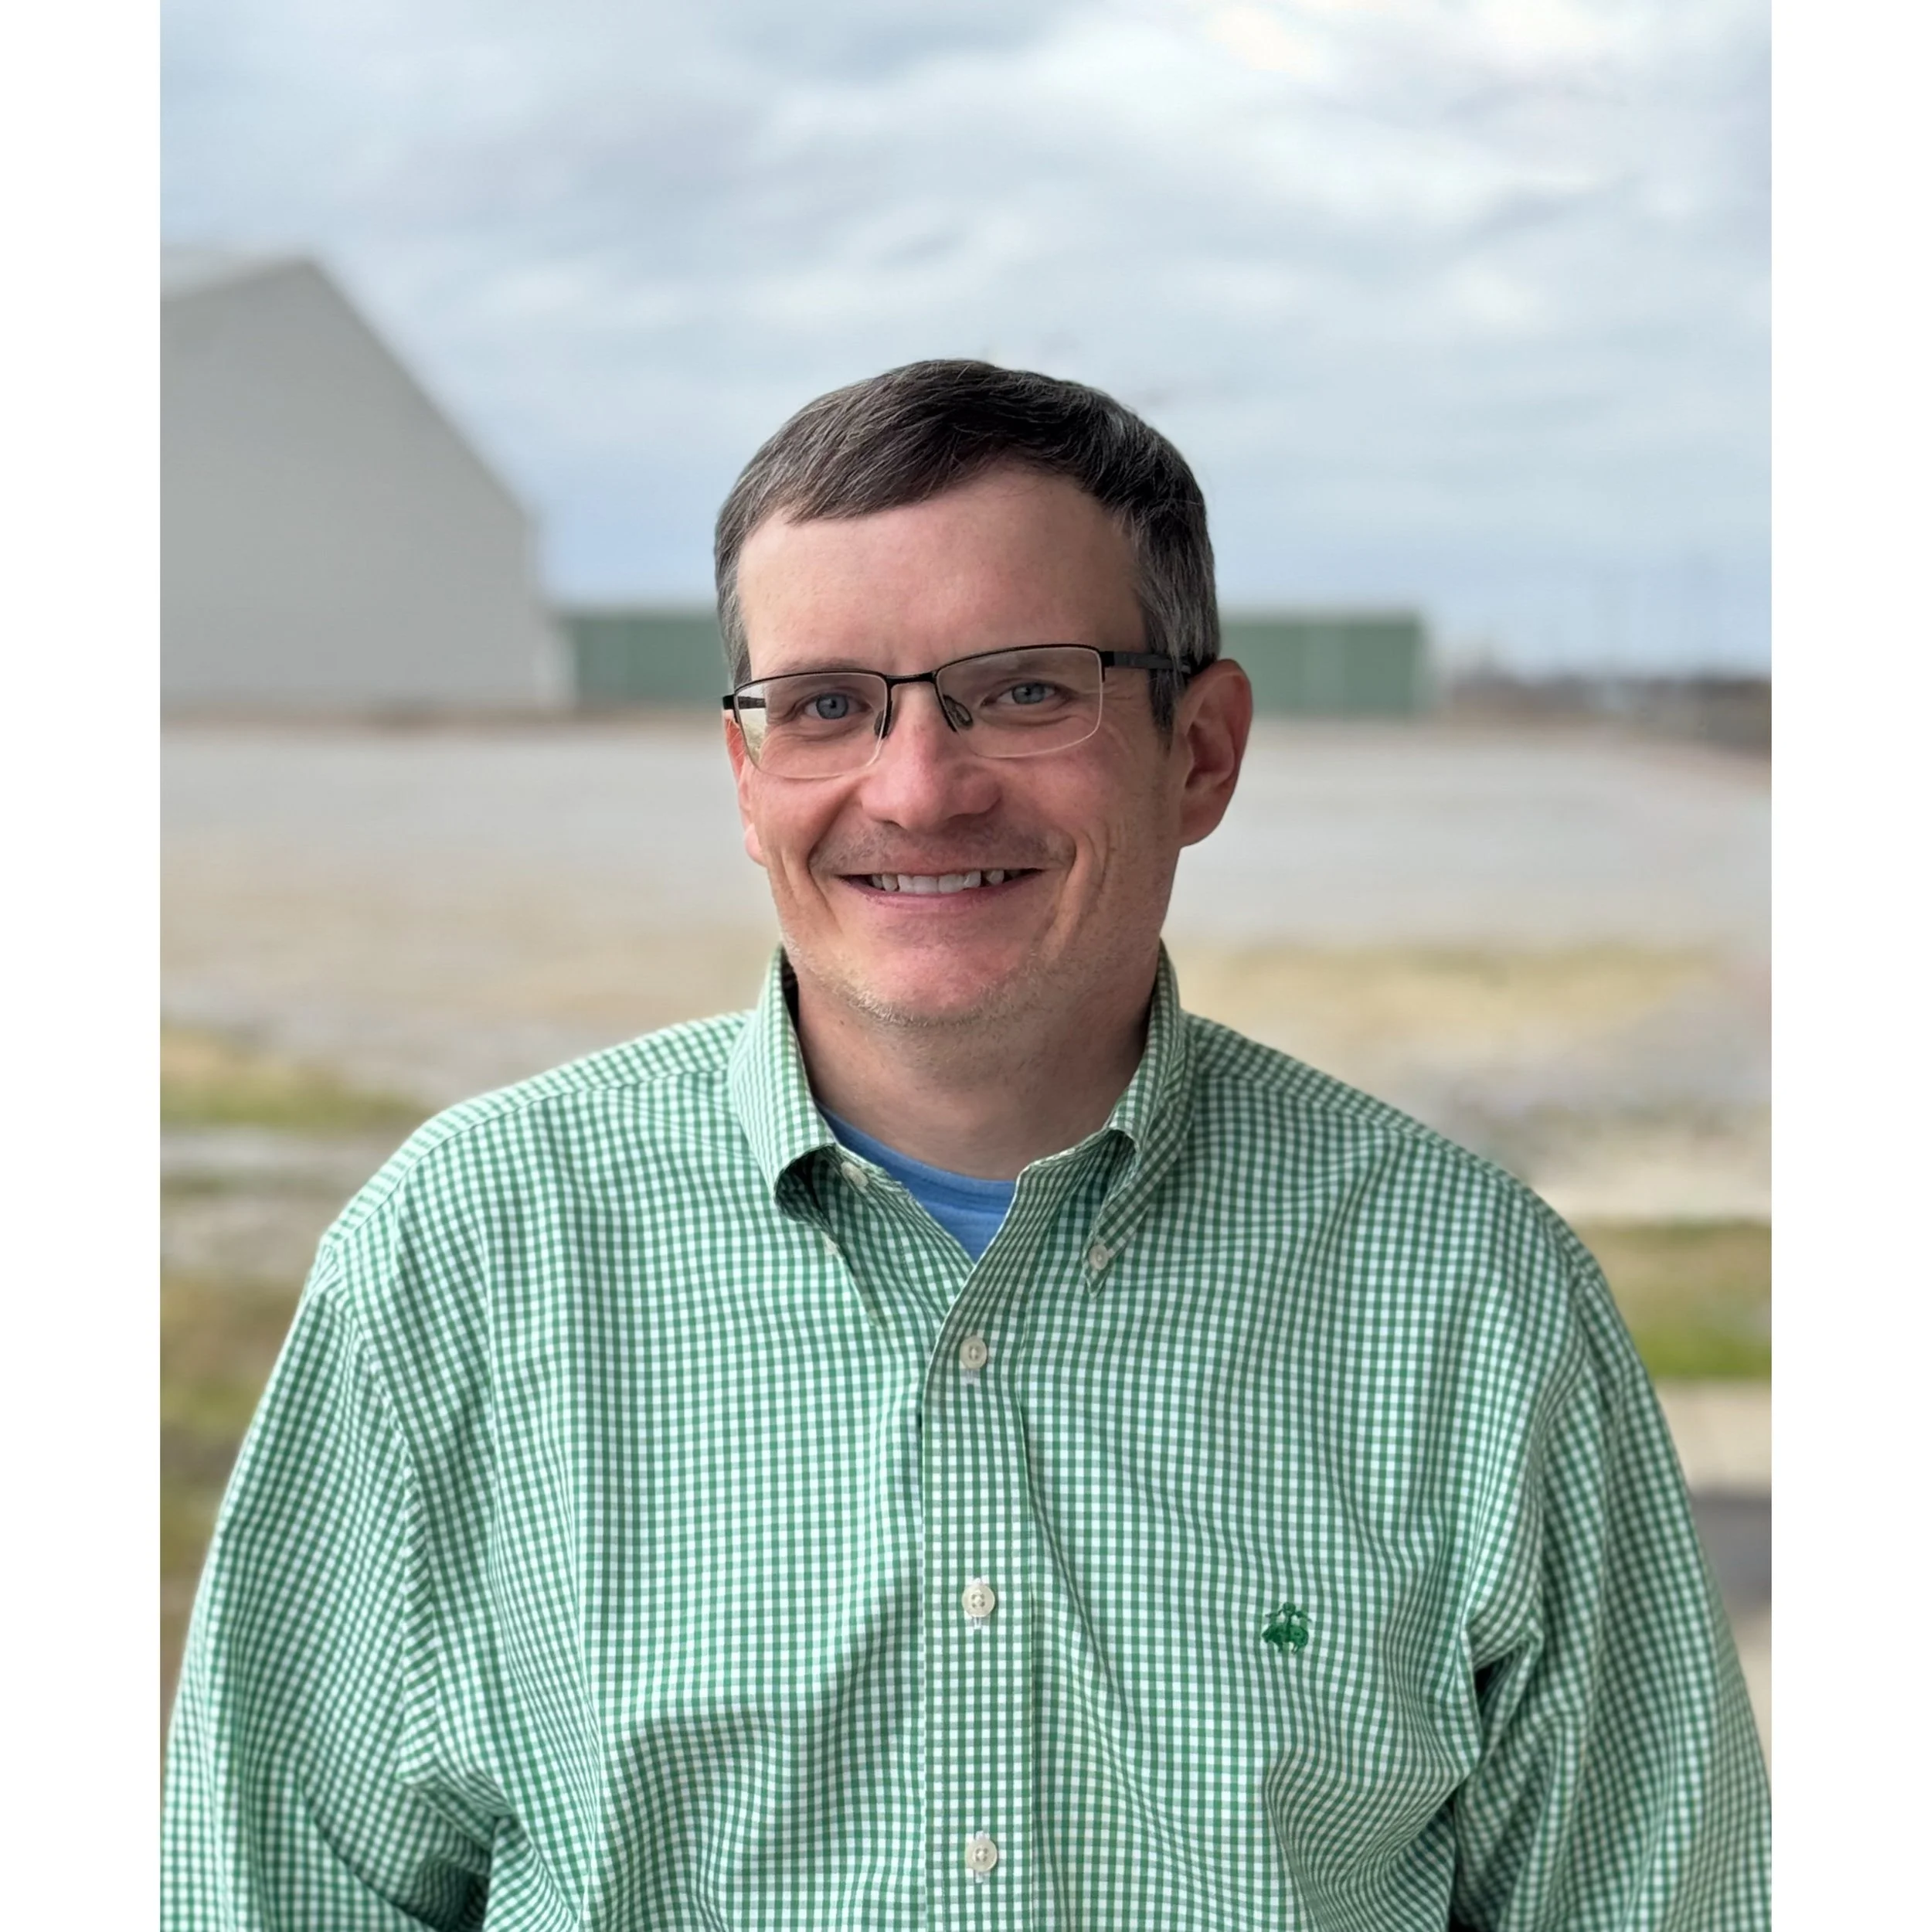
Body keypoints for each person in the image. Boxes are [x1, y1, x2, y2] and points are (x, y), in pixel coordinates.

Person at [164, 360, 1770, 1928]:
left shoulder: (1473, 1301)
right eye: (825, 706)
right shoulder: (457, 1263)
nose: (919, 789)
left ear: (1200, 751)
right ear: (746, 775)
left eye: (1023, 691)